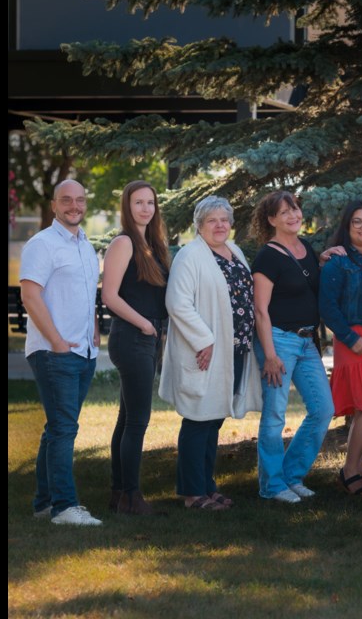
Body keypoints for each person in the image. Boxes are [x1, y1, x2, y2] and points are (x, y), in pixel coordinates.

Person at [160, 196, 262, 511]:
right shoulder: (190, 256)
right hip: (203, 350)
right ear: (200, 225)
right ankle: (192, 494)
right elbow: (177, 303)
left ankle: (207, 485)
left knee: (214, 418)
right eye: (211, 220)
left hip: (235, 350)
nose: (219, 225)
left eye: (224, 220)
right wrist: (204, 340)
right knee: (197, 419)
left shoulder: (236, 252)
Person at [21, 180, 103, 526]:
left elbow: (86, 294)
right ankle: (64, 507)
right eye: (66, 200)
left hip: (82, 351)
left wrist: (94, 329)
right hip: (55, 352)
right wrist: (55, 341)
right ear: (54, 204)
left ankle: (44, 502)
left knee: (57, 428)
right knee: (64, 429)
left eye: (80, 200)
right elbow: (30, 295)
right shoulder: (42, 244)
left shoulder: (85, 244)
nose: (74, 205)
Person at [250, 191, 335, 504]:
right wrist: (270, 355)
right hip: (279, 341)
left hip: (306, 341)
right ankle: (271, 486)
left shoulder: (305, 248)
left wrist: (324, 259)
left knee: (324, 408)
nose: (292, 216)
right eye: (284, 213)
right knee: (275, 415)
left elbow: (309, 285)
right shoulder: (268, 256)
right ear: (271, 220)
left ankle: (291, 475)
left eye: (295, 210)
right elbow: (261, 310)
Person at [101, 180, 170, 515]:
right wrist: (144, 323)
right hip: (131, 338)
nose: (146, 208)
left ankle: (119, 494)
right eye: (138, 202)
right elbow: (109, 296)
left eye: (150, 203)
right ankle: (132, 496)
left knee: (126, 418)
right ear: (127, 207)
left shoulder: (152, 245)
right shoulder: (124, 242)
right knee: (138, 420)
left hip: (148, 338)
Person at [318, 200, 362, 496]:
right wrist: (350, 338)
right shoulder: (338, 261)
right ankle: (350, 471)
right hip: (357, 338)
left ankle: (356, 471)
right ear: (347, 227)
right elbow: (327, 307)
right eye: (357, 222)